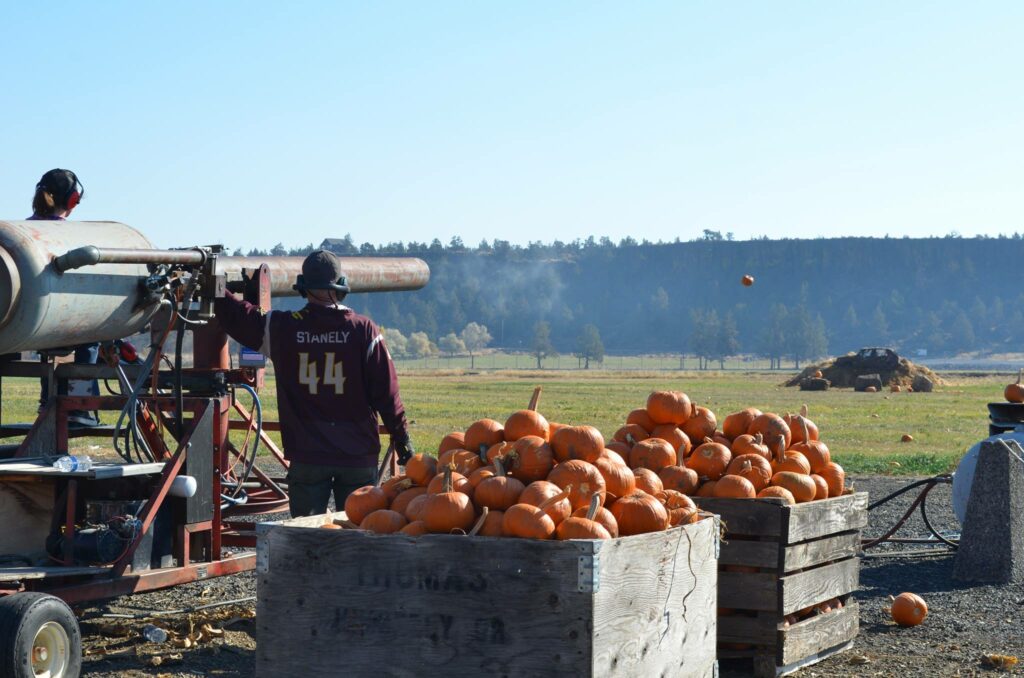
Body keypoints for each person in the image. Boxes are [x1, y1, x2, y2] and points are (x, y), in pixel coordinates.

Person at [214, 249, 414, 516]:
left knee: (306, 541)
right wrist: (403, 443)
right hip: (356, 455)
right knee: (358, 533)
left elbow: (239, 317)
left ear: (303, 287)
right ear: (341, 285)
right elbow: (387, 395)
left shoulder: (283, 328)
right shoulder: (365, 331)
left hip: (307, 455)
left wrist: (214, 285)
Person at [28, 169, 100, 427]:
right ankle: (80, 406)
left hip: (31, 326)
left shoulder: (25, 229)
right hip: (63, 322)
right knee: (92, 337)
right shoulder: (74, 236)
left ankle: (48, 402)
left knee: (47, 349)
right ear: (72, 201)